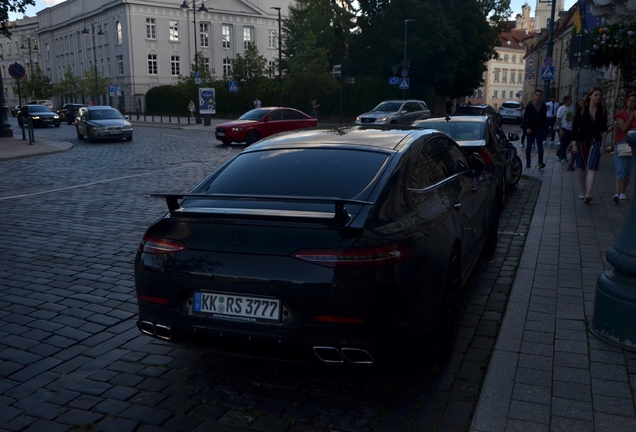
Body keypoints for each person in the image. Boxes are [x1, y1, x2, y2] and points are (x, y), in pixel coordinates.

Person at [571, 87, 608, 204]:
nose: (598, 97)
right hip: (581, 141)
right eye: (596, 95)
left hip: (596, 142)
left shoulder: (602, 111)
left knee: (592, 168)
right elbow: (575, 127)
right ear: (590, 96)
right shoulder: (582, 110)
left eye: (600, 96)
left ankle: (588, 194)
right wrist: (574, 144)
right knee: (582, 168)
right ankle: (583, 190)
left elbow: (604, 129)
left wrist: (603, 145)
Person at [612, 92, 636, 202]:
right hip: (623, 142)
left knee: (628, 170)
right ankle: (617, 193)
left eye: (633, 101)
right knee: (620, 169)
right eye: (629, 100)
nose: (630, 103)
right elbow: (623, 127)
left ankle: (622, 192)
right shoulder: (621, 114)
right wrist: (632, 116)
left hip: (633, 145)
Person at [523, 89, 548, 170]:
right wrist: (527, 128)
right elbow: (524, 118)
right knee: (529, 146)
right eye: (537, 95)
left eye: (540, 95)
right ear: (534, 96)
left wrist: (545, 130)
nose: (538, 97)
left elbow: (544, 119)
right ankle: (528, 162)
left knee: (540, 147)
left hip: (539, 129)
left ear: (541, 96)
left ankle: (540, 163)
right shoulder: (529, 106)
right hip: (530, 129)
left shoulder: (544, 106)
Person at [556, 95, 573, 163]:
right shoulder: (561, 108)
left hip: (570, 128)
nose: (571, 101)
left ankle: (558, 154)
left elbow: (571, 117)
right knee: (563, 143)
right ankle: (563, 157)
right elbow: (558, 119)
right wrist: (560, 130)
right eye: (570, 100)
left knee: (567, 143)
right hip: (563, 128)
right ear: (567, 101)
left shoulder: (571, 108)